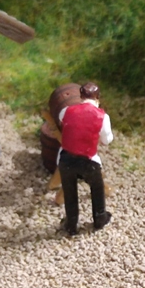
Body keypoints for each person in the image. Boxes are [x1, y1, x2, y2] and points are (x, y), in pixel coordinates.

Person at [58, 82, 113, 235]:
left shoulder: (66, 110)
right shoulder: (103, 116)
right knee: (97, 188)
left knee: (69, 191)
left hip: (66, 159)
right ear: (98, 98)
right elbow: (107, 140)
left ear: (81, 96)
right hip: (89, 160)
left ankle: (71, 224)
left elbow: (63, 122)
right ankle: (100, 218)